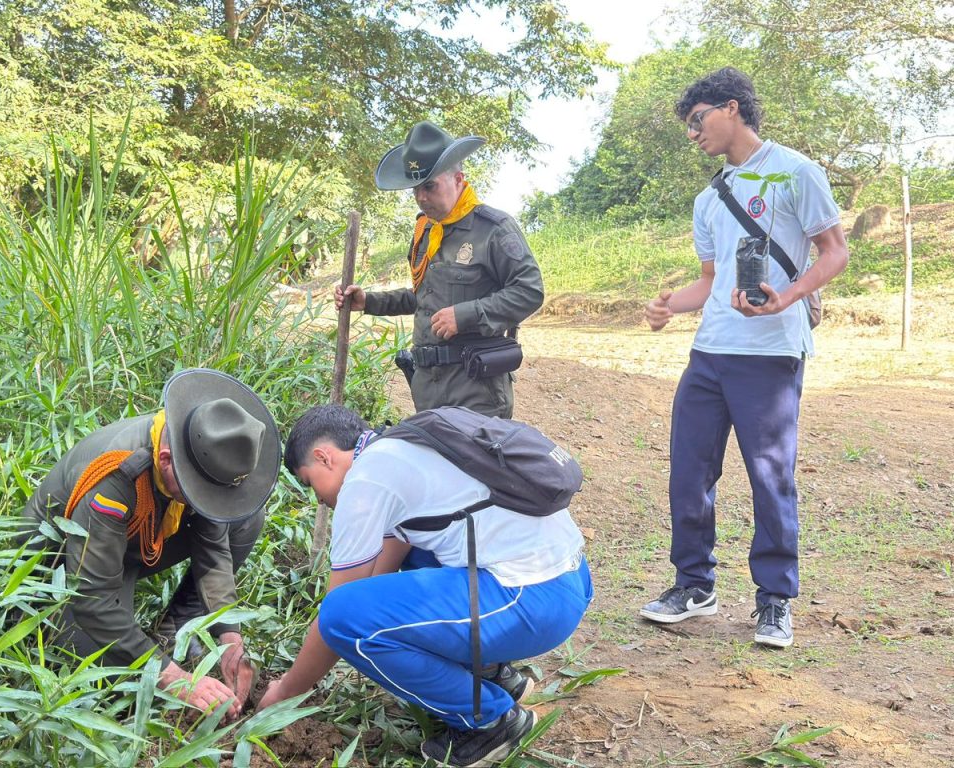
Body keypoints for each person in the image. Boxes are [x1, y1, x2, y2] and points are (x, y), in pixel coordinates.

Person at [639, 67, 849, 648]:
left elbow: (834, 252)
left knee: (770, 475)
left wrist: (788, 296)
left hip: (771, 352)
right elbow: (710, 281)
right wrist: (668, 308)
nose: (693, 133)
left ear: (731, 109)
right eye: (687, 126)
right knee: (689, 471)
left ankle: (774, 600)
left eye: (698, 120)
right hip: (709, 354)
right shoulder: (710, 198)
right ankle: (694, 585)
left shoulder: (794, 170)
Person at [256, 404, 592, 767]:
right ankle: (489, 674)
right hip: (566, 581)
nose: (318, 500)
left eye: (310, 483)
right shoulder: (403, 446)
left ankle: (490, 722)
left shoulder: (366, 480)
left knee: (340, 617)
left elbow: (336, 617)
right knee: (406, 563)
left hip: (531, 600)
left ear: (324, 457)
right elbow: (379, 576)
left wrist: (284, 693)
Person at [20, 368, 280, 719]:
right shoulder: (114, 478)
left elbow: (214, 549)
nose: (201, 501)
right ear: (166, 460)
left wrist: (230, 639)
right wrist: (171, 676)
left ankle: (178, 626)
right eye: (197, 493)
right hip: (65, 564)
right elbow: (91, 596)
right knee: (100, 682)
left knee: (245, 518)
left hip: (131, 541)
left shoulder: (202, 449)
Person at [335, 121, 544, 418]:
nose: (421, 197)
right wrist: (369, 301)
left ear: (458, 179)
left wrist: (464, 315)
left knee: (472, 465)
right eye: (416, 189)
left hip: (476, 389)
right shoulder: (426, 232)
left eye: (429, 186)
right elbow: (424, 298)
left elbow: (529, 291)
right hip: (428, 387)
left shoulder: (493, 230)